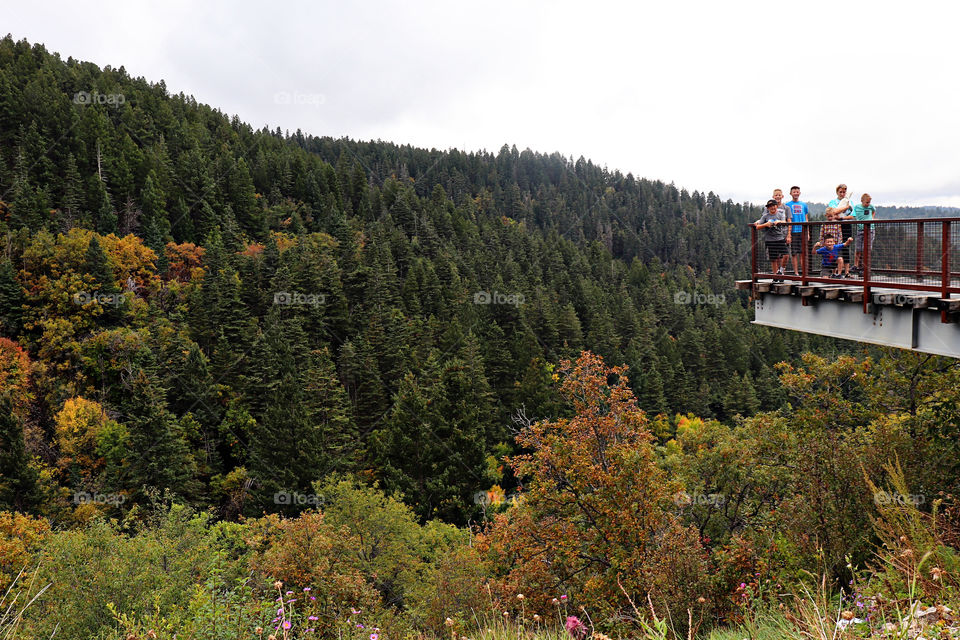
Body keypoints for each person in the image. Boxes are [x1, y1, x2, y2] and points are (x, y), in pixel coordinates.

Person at [755, 199, 789, 280]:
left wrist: (779, 221)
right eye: (770, 206)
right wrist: (766, 224)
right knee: (773, 259)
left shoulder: (780, 214)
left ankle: (781, 271)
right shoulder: (765, 216)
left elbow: (784, 222)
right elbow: (757, 227)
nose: (772, 207)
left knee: (786, 255)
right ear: (768, 208)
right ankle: (775, 276)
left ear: (776, 206)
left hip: (780, 238)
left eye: (773, 205)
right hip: (770, 240)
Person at [828, 184, 854, 277]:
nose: (842, 194)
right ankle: (833, 272)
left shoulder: (850, 201)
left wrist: (842, 218)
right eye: (840, 192)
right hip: (835, 226)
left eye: (844, 192)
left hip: (846, 226)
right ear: (837, 192)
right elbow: (833, 212)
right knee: (834, 247)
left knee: (846, 248)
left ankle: (847, 272)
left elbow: (852, 215)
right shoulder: (833, 202)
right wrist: (845, 208)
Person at [850, 193, 877, 273]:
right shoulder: (857, 207)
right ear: (862, 201)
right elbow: (852, 216)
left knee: (866, 249)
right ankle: (856, 265)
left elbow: (874, 211)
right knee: (858, 248)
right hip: (860, 229)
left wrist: (872, 218)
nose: (868, 204)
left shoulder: (871, 207)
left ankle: (864, 266)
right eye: (867, 202)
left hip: (870, 229)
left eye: (869, 202)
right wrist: (842, 218)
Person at [785, 186, 809, 275]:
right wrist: (788, 234)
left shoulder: (804, 205)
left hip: (803, 230)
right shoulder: (787, 205)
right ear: (790, 193)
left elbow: (806, 218)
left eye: (797, 192)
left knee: (803, 253)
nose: (796, 193)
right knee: (794, 253)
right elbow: (787, 219)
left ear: (800, 193)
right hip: (793, 231)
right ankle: (796, 272)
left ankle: (804, 273)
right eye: (794, 192)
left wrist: (808, 232)